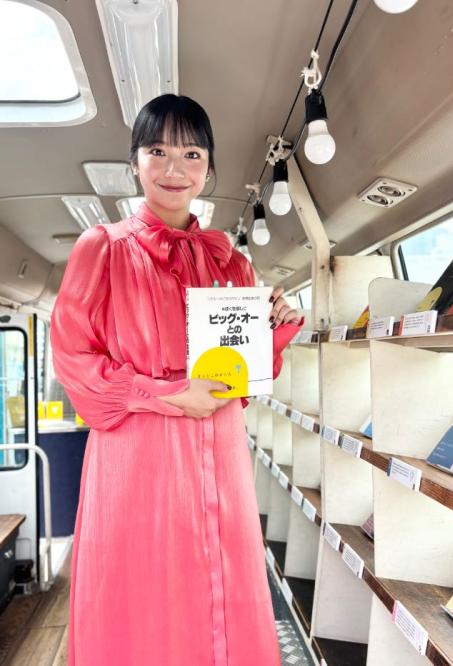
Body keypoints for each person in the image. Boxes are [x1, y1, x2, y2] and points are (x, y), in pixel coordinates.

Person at [50, 93, 304, 665]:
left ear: (209, 170)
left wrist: (275, 329)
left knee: (224, 600)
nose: (174, 168)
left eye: (192, 154)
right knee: (146, 607)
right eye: (157, 151)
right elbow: (73, 359)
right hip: (138, 462)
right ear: (134, 163)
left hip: (221, 456)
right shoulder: (103, 249)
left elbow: (241, 379)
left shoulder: (232, 264)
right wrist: (166, 394)